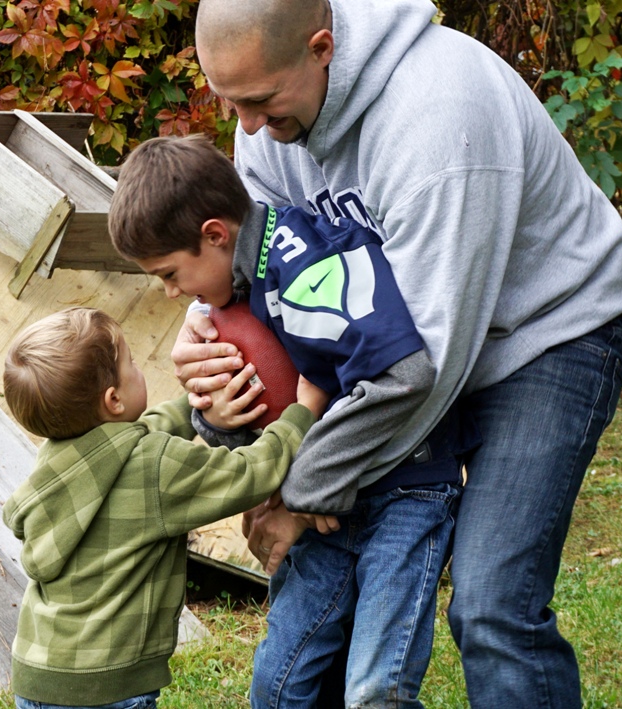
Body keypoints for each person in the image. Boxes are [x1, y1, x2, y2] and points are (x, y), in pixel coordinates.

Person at [173, 0, 622, 707]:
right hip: (410, 344)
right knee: (329, 573)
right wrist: (207, 336)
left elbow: (422, 365)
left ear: (322, 47)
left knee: (491, 600)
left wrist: (299, 496)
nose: (246, 129)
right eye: (230, 102)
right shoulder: (267, 122)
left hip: (543, 331)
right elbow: (258, 272)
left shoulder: (438, 119)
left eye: (261, 101)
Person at [108, 134, 479, 708]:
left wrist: (301, 489)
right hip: (326, 503)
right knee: (278, 686)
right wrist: (218, 422)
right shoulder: (236, 288)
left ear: (214, 235)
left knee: (377, 690)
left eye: (170, 274)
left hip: (405, 490)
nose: (171, 293)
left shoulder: (305, 267)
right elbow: (264, 411)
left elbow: (403, 374)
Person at [0, 306, 327, 709]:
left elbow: (139, 433)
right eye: (131, 363)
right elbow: (249, 473)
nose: (139, 368)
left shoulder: (58, 457)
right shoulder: (152, 466)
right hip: (107, 686)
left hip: (37, 674)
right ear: (114, 399)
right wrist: (303, 412)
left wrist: (198, 409)